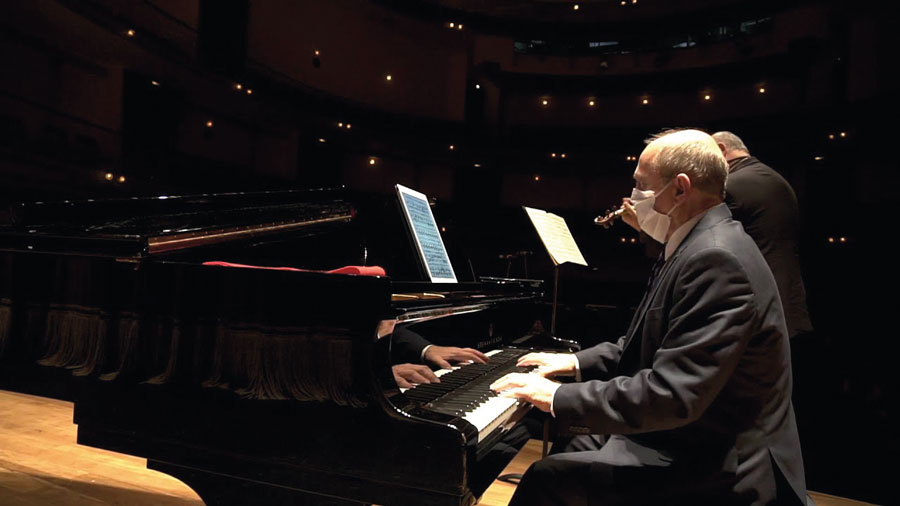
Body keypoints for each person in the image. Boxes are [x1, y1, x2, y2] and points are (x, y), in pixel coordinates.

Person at [491, 129, 808, 506]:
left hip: (721, 462)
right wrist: (573, 362)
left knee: (545, 478)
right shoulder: (692, 244)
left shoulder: (717, 259)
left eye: (641, 185)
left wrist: (558, 395)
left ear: (680, 189)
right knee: (574, 440)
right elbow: (643, 344)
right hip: (698, 435)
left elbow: (673, 394)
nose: (633, 197)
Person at [711, 131, 813, 338]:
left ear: (721, 150)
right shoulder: (774, 177)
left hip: (757, 303)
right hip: (788, 296)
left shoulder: (730, 186)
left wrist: (647, 225)